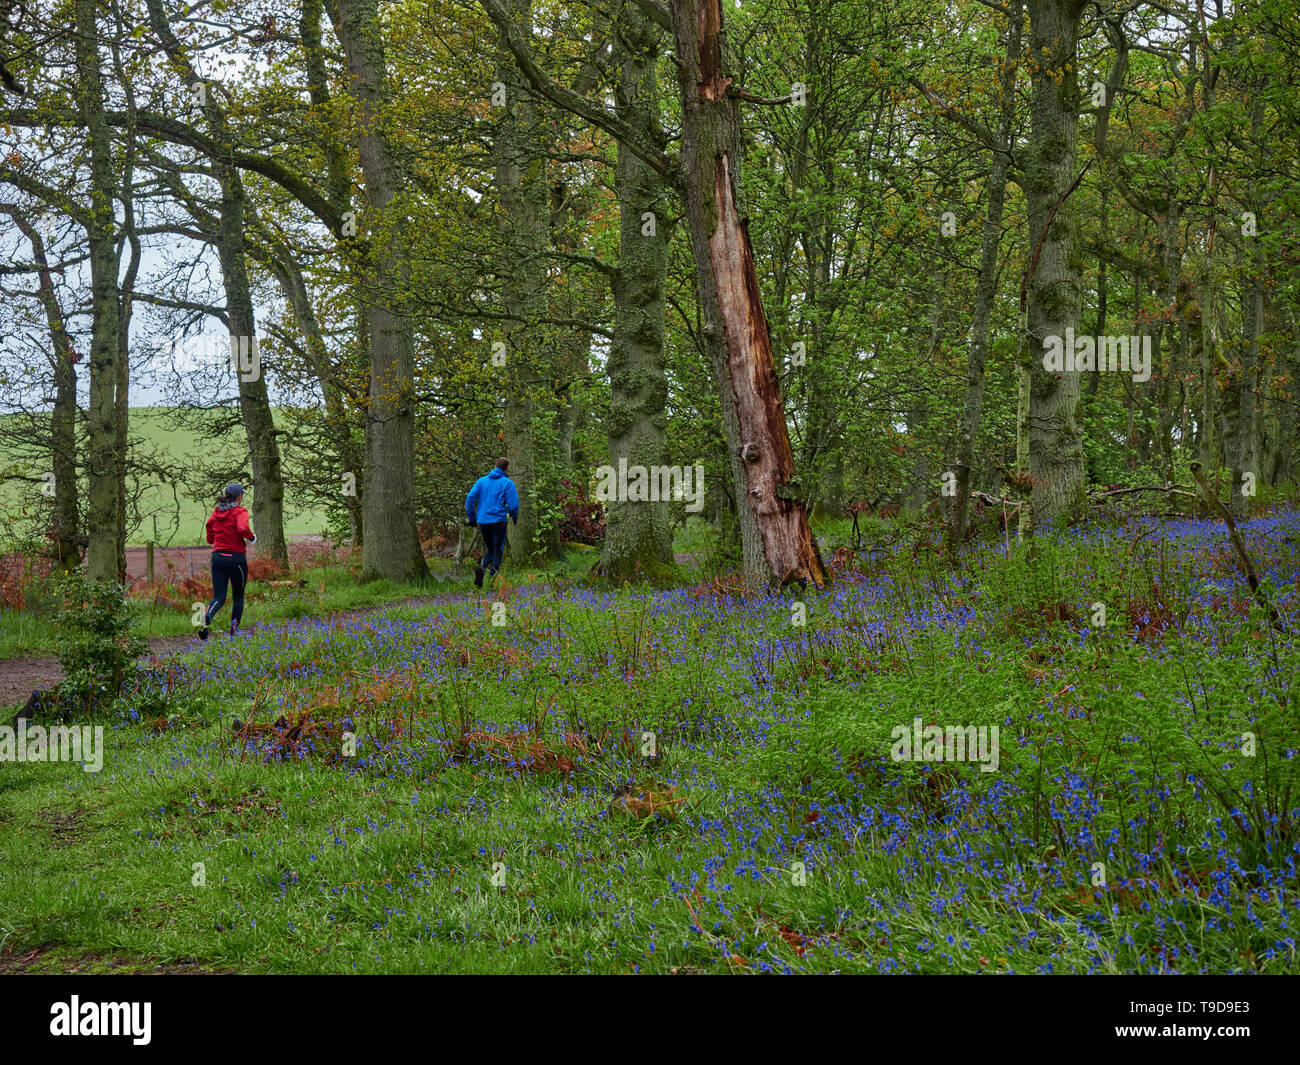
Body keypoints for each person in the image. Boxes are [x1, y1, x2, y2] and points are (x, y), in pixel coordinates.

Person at [199, 482, 256, 639]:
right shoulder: (240, 512)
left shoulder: (216, 512)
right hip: (236, 559)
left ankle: (207, 616)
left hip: (217, 558)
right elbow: (243, 528)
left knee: (219, 597)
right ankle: (233, 634)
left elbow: (209, 527)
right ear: (239, 497)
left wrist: (211, 538)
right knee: (238, 597)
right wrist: (252, 538)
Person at [465, 458, 518, 588]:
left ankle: (482, 568)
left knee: (490, 550)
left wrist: (472, 518)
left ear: (495, 466)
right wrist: (514, 516)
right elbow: (513, 505)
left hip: (483, 521)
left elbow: (470, 498)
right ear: (507, 468)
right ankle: (491, 584)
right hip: (498, 522)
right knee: (498, 551)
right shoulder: (507, 483)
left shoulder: (482, 481)